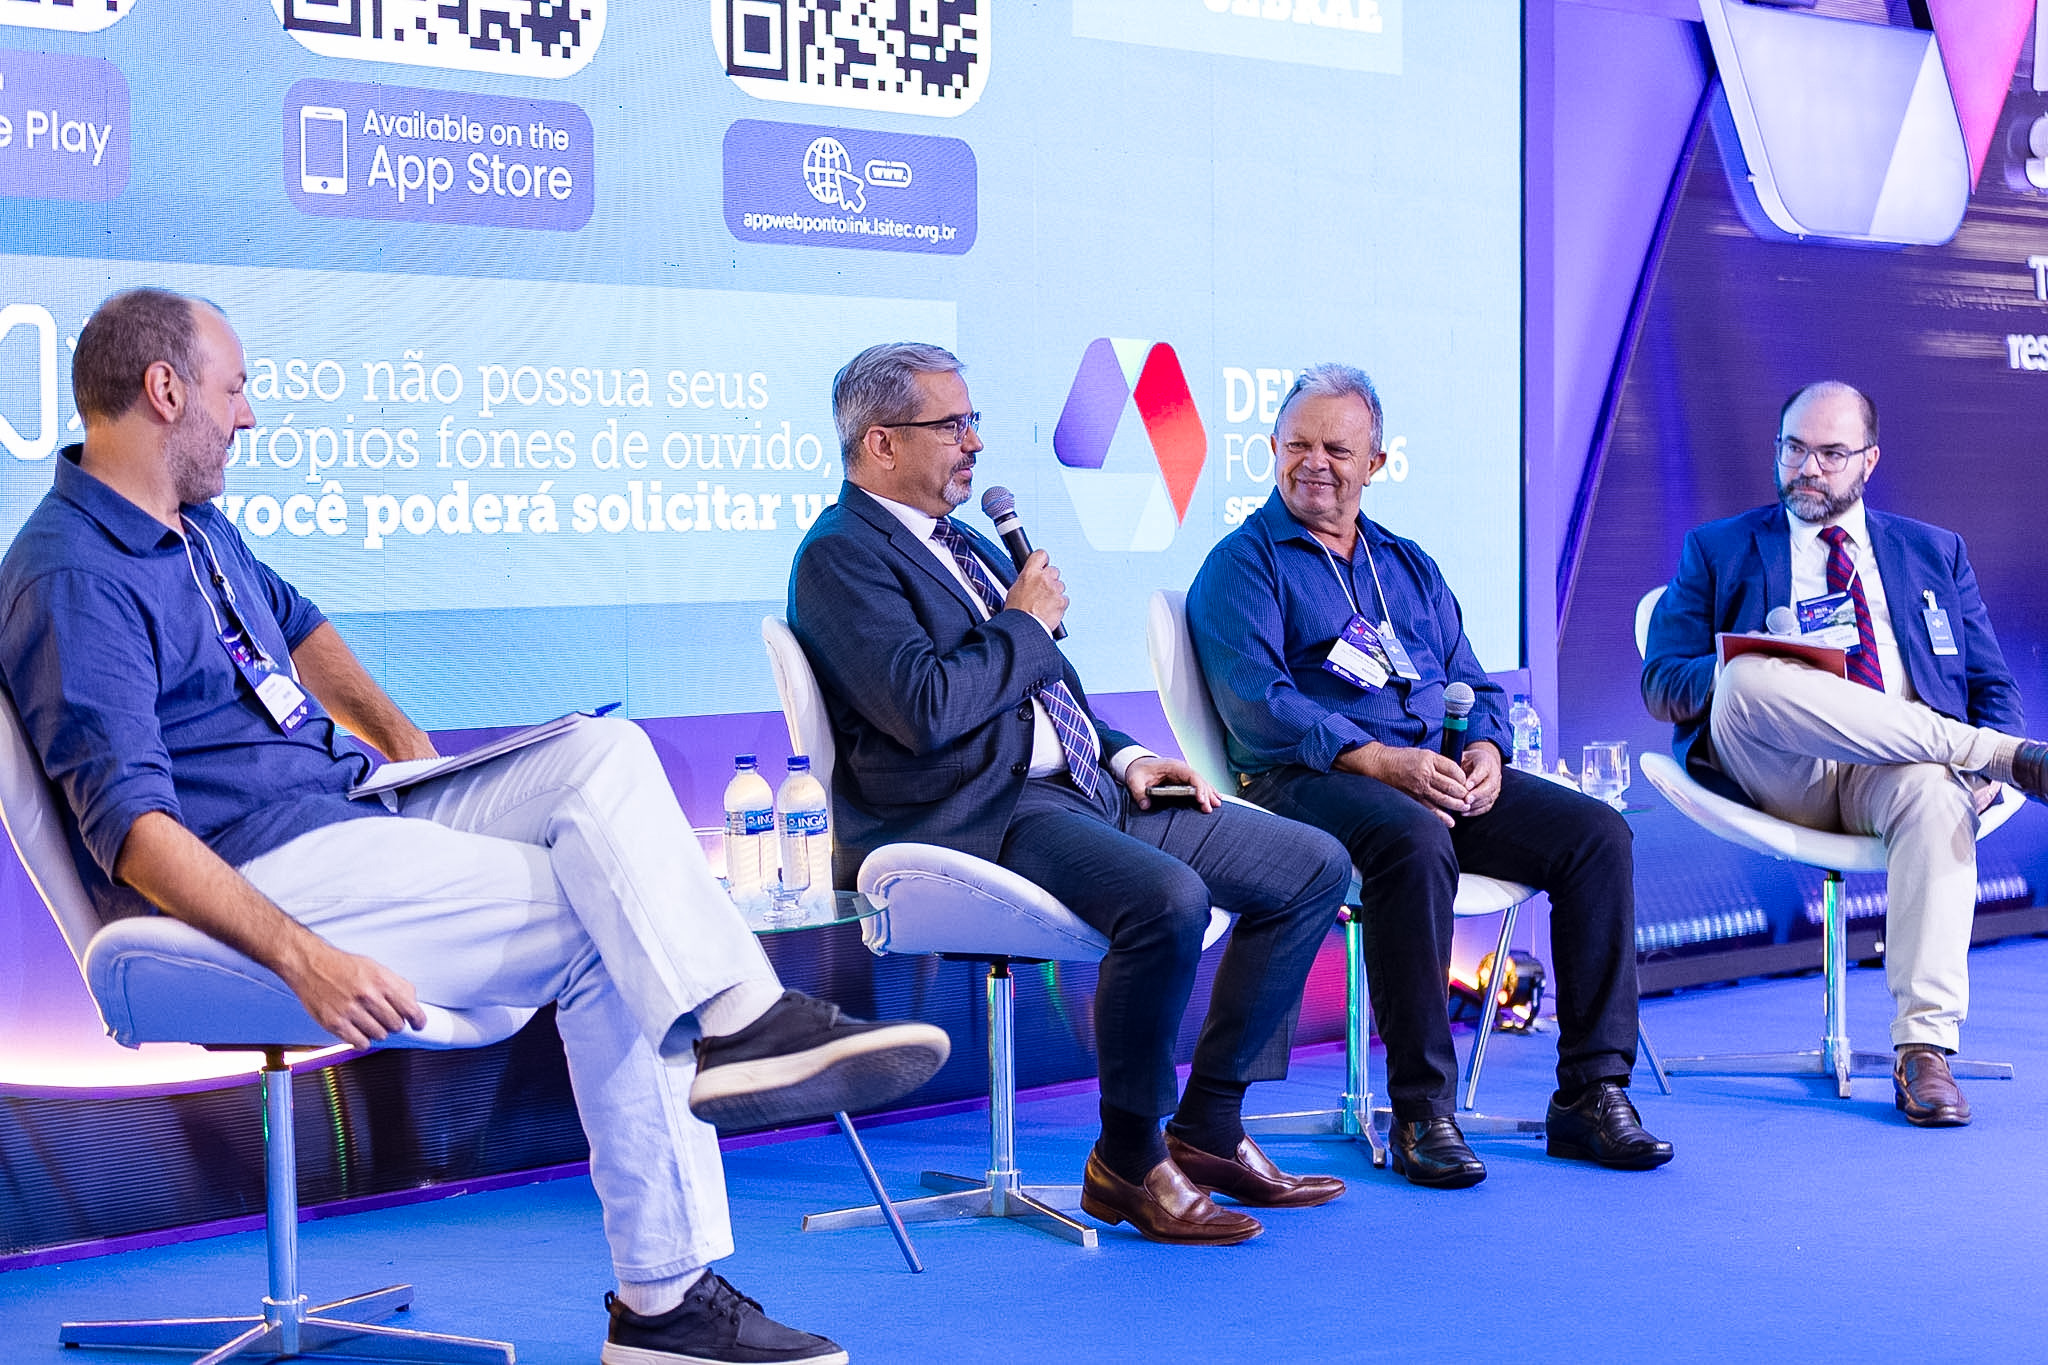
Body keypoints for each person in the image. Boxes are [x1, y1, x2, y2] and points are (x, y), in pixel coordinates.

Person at [0, 288, 955, 1365]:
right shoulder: (71, 573)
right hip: (263, 866)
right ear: (165, 391)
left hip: (351, 805)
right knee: (610, 916)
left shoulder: (194, 525)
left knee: (603, 754)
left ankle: (740, 1025)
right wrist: (302, 957)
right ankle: (668, 1303)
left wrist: (407, 747)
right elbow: (132, 833)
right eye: (236, 390)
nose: (250, 415)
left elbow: (298, 627)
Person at [787, 342, 1353, 1246]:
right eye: (953, 425)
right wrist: (1023, 619)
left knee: (1312, 865)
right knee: (1168, 899)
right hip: (980, 811)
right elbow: (927, 710)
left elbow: (1048, 691)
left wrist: (1127, 757)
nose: (975, 443)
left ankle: (1208, 1126)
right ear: (882, 443)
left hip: (1084, 787)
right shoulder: (840, 556)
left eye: (974, 421)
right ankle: (1129, 1158)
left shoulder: (961, 542)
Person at [1187, 363, 1671, 1189]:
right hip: (1305, 779)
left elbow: (1473, 681)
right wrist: (1380, 760)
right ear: (1270, 448)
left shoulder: (1405, 565)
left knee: (1597, 833)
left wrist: (1487, 751)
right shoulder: (1243, 563)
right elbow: (1258, 705)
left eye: (1337, 449)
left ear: (1375, 463)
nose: (1314, 463)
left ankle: (1592, 1092)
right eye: (1297, 444)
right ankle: (1422, 1110)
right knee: (1413, 839)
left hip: (1429, 774)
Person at [1642, 379, 2048, 1128]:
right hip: (1778, 771)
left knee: (1937, 791)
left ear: (1870, 460)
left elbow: (1991, 680)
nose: (1809, 469)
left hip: (1894, 771)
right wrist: (1753, 660)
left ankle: (1924, 1050)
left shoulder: (1933, 551)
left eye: (1831, 454)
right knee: (1748, 676)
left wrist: (1977, 776)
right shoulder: (1719, 547)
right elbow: (1661, 681)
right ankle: (1999, 754)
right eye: (1794, 449)